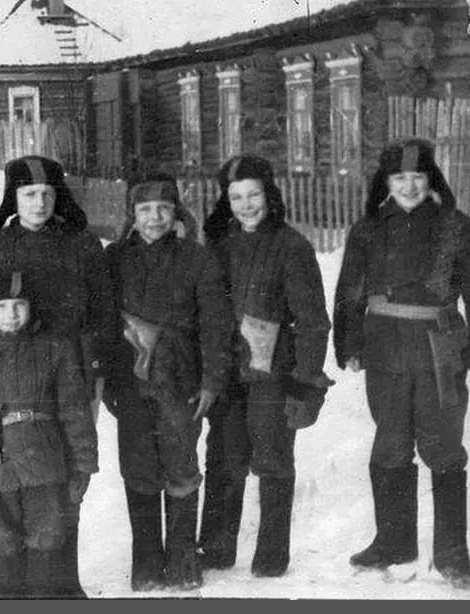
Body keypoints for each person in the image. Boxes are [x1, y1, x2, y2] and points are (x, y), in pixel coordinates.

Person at [0, 155, 115, 598]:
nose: (39, 202)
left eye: (48, 194)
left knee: (67, 476)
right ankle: (13, 589)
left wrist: (99, 368)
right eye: (29, 194)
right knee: (11, 484)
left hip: (71, 379)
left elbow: (104, 313)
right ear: (13, 198)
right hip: (8, 386)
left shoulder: (83, 246)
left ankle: (63, 583)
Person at [333, 138, 470, 589]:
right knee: (389, 442)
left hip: (439, 350)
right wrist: (349, 343)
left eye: (416, 176)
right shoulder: (368, 229)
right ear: (385, 183)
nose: (408, 185)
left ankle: (453, 555)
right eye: (399, 177)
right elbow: (349, 292)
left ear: (430, 179)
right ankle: (393, 544)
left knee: (443, 447)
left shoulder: (455, 225)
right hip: (385, 346)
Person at [200, 154, 333, 578]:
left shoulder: (292, 246)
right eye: (235, 196)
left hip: (273, 374)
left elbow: (313, 321)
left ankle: (272, 557)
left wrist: (306, 382)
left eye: (253, 194)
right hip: (229, 371)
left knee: (273, 459)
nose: (245, 205)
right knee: (222, 456)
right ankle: (217, 549)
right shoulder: (220, 245)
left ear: (269, 195)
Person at [102, 171, 232, 591]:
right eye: (145, 210)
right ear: (132, 215)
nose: (155, 217)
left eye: (163, 208)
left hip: (183, 377)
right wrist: (106, 377)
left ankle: (181, 557)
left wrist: (212, 380)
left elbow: (215, 322)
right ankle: (146, 562)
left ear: (176, 211)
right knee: (138, 467)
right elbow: (104, 322)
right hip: (132, 378)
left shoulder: (197, 258)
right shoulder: (115, 259)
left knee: (180, 464)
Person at [0, 268, 99, 599]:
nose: (11, 315)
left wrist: (83, 465)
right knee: (4, 545)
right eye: (1, 307)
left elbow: (75, 410)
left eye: (19, 305)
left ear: (31, 306)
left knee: (47, 544)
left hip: (45, 465)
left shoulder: (55, 348)